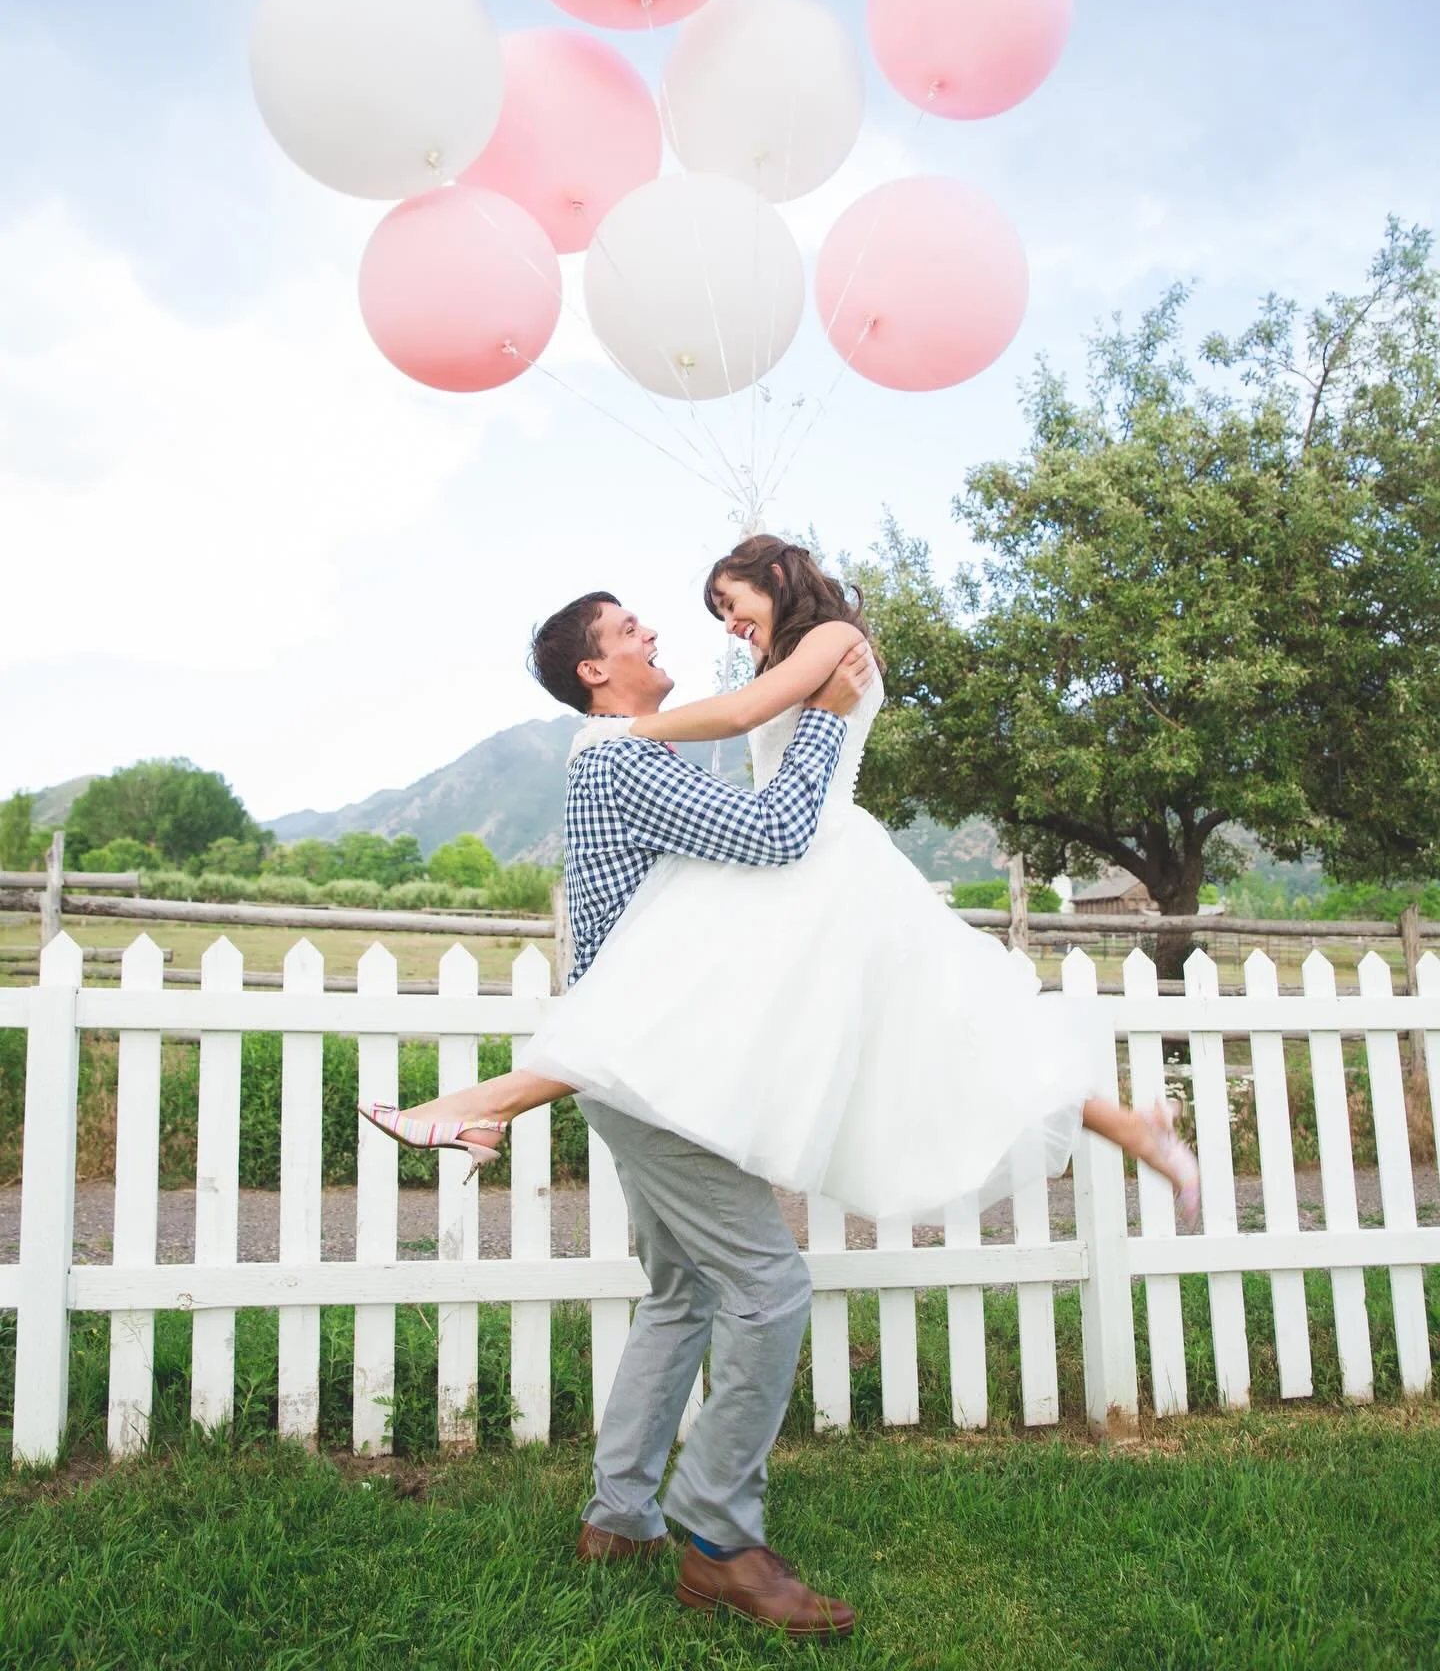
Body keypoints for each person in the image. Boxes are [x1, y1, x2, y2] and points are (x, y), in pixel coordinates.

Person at [364, 537, 1200, 1634]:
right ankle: (717, 1535)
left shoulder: (681, 721)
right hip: (652, 1064)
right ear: (592, 673)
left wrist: (797, 714)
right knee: (768, 1287)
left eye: (720, 603)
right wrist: (810, 725)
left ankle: (618, 1515)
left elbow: (739, 817)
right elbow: (771, 830)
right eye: (634, 629)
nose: (672, 629)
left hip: (642, 1055)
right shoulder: (617, 752)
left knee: (684, 1290)